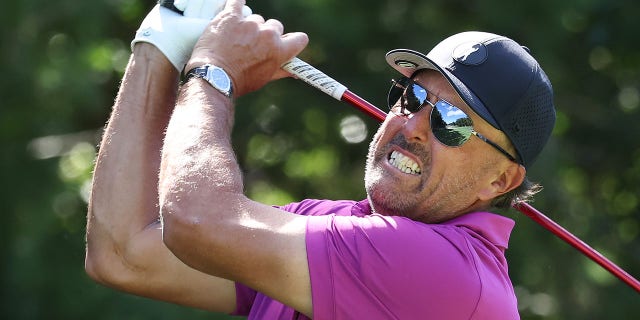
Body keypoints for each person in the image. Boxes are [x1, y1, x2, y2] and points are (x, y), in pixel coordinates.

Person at [84, 0, 556, 319]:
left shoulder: (450, 274)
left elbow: (197, 219)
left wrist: (214, 72)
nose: (412, 125)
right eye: (412, 97)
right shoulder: (323, 226)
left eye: (453, 122)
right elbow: (125, 254)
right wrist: (161, 41)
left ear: (501, 180)